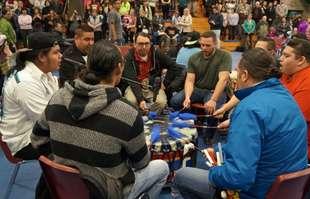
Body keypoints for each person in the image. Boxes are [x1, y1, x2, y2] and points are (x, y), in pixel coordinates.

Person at [31, 40, 170, 199]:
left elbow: (37, 141)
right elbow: (141, 164)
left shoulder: (58, 97)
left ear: (88, 64)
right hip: (106, 192)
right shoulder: (128, 113)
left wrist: (68, 161)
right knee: (162, 168)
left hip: (62, 188)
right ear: (119, 68)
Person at [173, 48, 308, 199]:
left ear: (244, 75)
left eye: (236, 72)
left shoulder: (248, 109)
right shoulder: (285, 94)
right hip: (288, 188)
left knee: (181, 175)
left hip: (257, 191)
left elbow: (237, 178)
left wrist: (215, 170)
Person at [0, 32, 61, 160]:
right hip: (24, 143)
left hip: (35, 132)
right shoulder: (25, 82)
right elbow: (50, 123)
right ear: (42, 57)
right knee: (79, 145)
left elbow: (58, 101)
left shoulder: (44, 73)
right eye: (56, 53)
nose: (61, 56)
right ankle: (52, 179)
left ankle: (49, 179)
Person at [170, 31, 231, 115]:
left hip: (214, 91)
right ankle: (192, 118)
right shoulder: (193, 58)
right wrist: (187, 97)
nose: (204, 48)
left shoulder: (224, 56)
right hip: (197, 89)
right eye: (202, 45)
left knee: (211, 109)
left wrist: (213, 99)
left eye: (208, 45)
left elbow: (223, 79)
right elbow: (190, 81)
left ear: (215, 44)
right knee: (175, 101)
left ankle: (210, 126)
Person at [122, 32, 184, 114]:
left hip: (153, 86)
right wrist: (140, 100)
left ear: (150, 44)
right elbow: (132, 81)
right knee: (131, 101)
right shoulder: (128, 57)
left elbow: (174, 66)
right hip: (135, 86)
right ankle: (138, 118)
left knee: (161, 102)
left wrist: (166, 82)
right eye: (140, 44)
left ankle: (148, 115)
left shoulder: (156, 53)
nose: (144, 47)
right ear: (134, 44)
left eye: (146, 44)